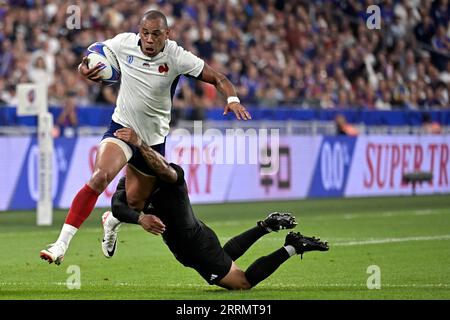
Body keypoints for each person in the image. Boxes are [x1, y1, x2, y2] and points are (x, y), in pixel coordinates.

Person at [40, 10, 252, 265]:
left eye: (156, 34)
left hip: (151, 141)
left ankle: (112, 220)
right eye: (145, 33)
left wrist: (232, 99)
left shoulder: (177, 56)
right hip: (122, 127)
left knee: (135, 203)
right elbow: (91, 56)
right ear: (139, 32)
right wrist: (83, 68)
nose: (149, 40)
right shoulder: (123, 43)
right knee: (99, 178)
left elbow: (219, 78)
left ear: (167, 34)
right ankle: (61, 244)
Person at [101, 127, 329, 290]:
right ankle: (265, 227)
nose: (127, 178)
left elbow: (158, 171)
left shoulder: (172, 177)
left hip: (195, 246)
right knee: (223, 257)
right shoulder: (132, 182)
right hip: (197, 240)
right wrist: (140, 219)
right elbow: (118, 207)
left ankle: (292, 247)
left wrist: (141, 144)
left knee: (242, 283)